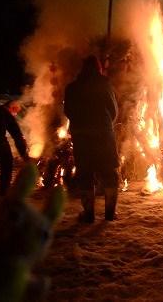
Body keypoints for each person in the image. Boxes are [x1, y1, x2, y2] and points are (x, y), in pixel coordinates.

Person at [64, 55, 119, 223]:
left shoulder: (72, 87)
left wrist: (79, 123)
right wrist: (106, 124)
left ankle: (89, 214)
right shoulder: (104, 83)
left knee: (85, 173)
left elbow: (68, 111)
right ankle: (110, 213)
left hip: (81, 134)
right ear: (99, 68)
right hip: (103, 133)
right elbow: (113, 109)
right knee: (109, 171)